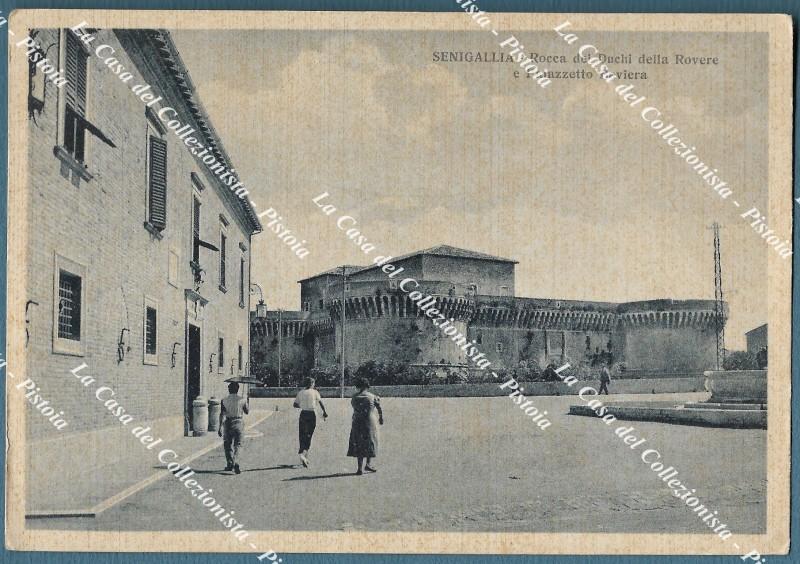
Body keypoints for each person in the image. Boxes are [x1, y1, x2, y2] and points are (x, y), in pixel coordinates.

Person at [347, 377, 383, 475]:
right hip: (369, 420)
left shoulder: (354, 397)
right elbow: (379, 408)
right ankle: (368, 464)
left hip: (357, 420)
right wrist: (381, 418)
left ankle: (359, 468)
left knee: (359, 442)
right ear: (366, 386)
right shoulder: (372, 396)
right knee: (370, 442)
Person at [293, 377, 328, 467]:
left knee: (302, 434)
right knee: (309, 434)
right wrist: (324, 412)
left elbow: (295, 404)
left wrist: (303, 405)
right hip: (312, 414)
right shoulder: (315, 392)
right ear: (312, 383)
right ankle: (304, 455)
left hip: (303, 414)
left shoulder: (300, 392)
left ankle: (303, 456)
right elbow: (320, 403)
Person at [219, 382, 249, 474]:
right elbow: (247, 411)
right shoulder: (242, 400)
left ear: (229, 389)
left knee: (227, 444)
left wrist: (220, 427)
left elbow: (222, 414)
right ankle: (236, 461)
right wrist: (246, 401)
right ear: (238, 389)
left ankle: (230, 463)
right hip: (239, 422)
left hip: (228, 423)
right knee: (238, 444)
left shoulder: (224, 400)